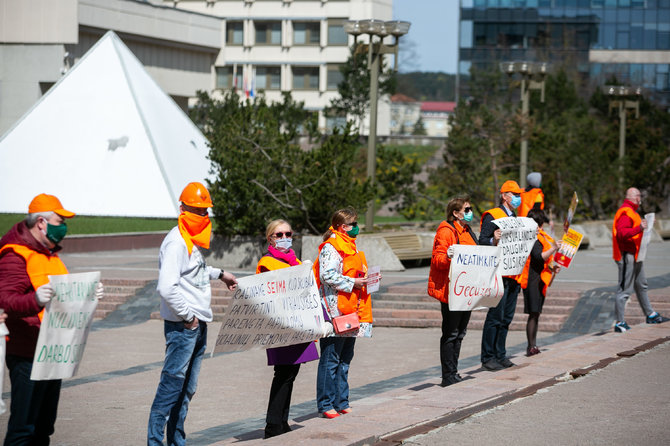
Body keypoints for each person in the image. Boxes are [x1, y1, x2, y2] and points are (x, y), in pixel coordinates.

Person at [0, 193, 102, 445]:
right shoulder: (15, 255)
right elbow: (5, 300)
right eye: (59, 220)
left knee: (43, 427)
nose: (63, 226)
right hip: (27, 355)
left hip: (51, 351)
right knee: (23, 429)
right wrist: (34, 300)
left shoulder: (48, 253)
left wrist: (89, 295)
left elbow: (63, 295)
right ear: (42, 223)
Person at [148, 182, 238, 446]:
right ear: (182, 208)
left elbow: (196, 270)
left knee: (186, 391)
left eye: (204, 211)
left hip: (195, 327)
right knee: (170, 390)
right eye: (197, 210)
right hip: (183, 328)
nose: (202, 216)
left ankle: (177, 441)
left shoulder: (190, 241)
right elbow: (166, 286)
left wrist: (220, 274)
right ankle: (156, 442)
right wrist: (188, 318)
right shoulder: (176, 242)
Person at [256, 219, 321, 439]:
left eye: (288, 233)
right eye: (278, 235)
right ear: (270, 239)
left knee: (291, 373)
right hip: (281, 326)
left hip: (298, 324)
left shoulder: (296, 261)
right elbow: (267, 293)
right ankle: (273, 424)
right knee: (283, 374)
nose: (284, 238)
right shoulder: (267, 262)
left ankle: (282, 421)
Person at [314, 207, 371, 419]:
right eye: (353, 224)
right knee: (331, 360)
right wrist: (353, 282)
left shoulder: (351, 246)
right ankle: (326, 403)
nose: (357, 227)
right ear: (342, 227)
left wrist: (368, 279)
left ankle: (342, 400)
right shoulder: (332, 246)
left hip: (350, 309)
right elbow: (327, 275)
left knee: (345, 358)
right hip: (334, 310)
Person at [427, 197, 479, 387]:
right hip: (451, 291)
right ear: (455, 213)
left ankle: (454, 371)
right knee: (450, 333)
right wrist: (450, 257)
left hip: (466, 290)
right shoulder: (446, 231)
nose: (470, 212)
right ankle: (447, 375)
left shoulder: (467, 231)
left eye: (470, 209)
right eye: (466, 209)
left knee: (460, 332)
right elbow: (437, 261)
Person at [478, 180, 524, 371]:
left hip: (513, 274)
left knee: (506, 318)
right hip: (498, 274)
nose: (518, 198)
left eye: (519, 195)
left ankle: (500, 354)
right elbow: (482, 241)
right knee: (495, 317)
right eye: (515, 194)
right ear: (504, 195)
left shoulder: (516, 217)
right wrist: (493, 239)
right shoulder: (493, 216)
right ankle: (488, 357)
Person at [611, 187, 666, 332]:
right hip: (626, 255)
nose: (640, 198)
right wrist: (639, 229)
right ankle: (619, 322)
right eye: (639, 196)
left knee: (641, 284)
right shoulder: (625, 212)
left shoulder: (631, 211)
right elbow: (621, 234)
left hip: (635, 255)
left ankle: (650, 314)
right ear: (636, 197)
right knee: (624, 289)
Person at [520, 209, 560, 356]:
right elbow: (538, 257)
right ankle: (531, 346)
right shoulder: (532, 237)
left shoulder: (540, 235)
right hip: (532, 279)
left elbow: (543, 260)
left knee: (536, 313)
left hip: (539, 278)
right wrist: (554, 249)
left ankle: (533, 345)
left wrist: (552, 267)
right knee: (534, 312)